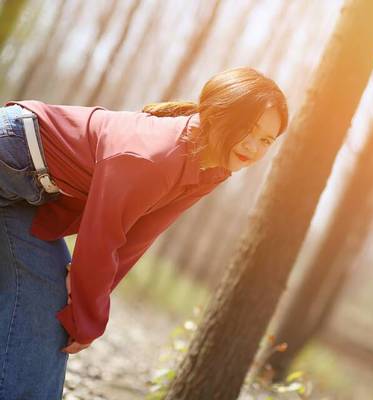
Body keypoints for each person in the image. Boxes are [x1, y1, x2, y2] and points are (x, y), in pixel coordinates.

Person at [0, 66, 288, 399]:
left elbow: (138, 237)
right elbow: (102, 237)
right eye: (247, 129)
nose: (253, 146)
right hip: (12, 153)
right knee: (55, 305)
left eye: (266, 140)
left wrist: (91, 301)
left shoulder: (213, 165)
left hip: (24, 191)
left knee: (47, 296)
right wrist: (86, 318)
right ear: (219, 114)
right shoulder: (155, 156)